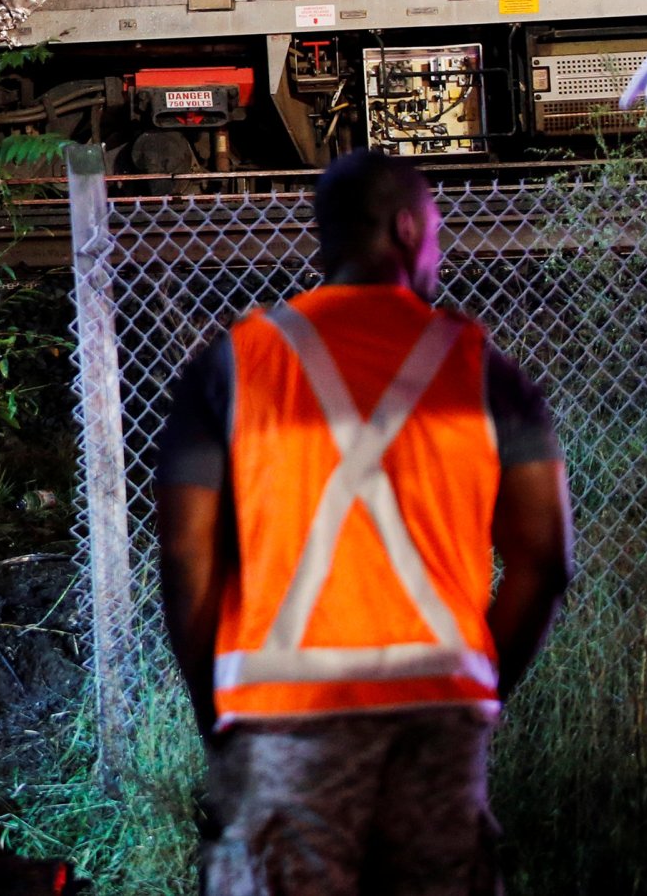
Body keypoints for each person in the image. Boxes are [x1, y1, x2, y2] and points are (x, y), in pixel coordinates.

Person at [155, 150, 575, 895]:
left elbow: (188, 558)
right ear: (409, 228)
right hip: (438, 715)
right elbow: (542, 559)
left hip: (283, 716)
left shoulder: (234, 364)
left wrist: (213, 710)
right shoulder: (482, 368)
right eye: (438, 233)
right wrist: (481, 687)